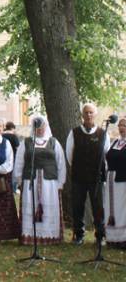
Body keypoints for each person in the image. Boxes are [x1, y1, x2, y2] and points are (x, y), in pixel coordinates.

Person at [13, 116, 66, 245]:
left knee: (48, 208)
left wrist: (60, 182)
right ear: (34, 127)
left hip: (50, 183)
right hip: (31, 182)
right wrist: (19, 180)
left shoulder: (54, 142)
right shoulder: (26, 142)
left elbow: (61, 163)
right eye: (37, 126)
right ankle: (30, 236)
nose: (40, 129)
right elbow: (19, 162)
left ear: (46, 126)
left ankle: (49, 236)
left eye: (42, 126)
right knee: (31, 206)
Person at [66, 103, 110, 245]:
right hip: (79, 176)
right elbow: (69, 155)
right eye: (86, 112)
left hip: (96, 178)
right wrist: (79, 168)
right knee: (78, 206)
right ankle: (79, 234)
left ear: (95, 114)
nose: (89, 115)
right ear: (82, 115)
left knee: (98, 207)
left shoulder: (103, 134)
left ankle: (100, 235)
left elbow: (106, 154)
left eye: (91, 112)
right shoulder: (74, 133)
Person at [103, 117, 126, 249]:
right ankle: (113, 239)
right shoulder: (115, 143)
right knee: (113, 209)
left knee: (123, 210)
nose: (121, 128)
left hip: (123, 182)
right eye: (120, 126)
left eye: (124, 125)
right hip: (111, 182)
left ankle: (123, 239)